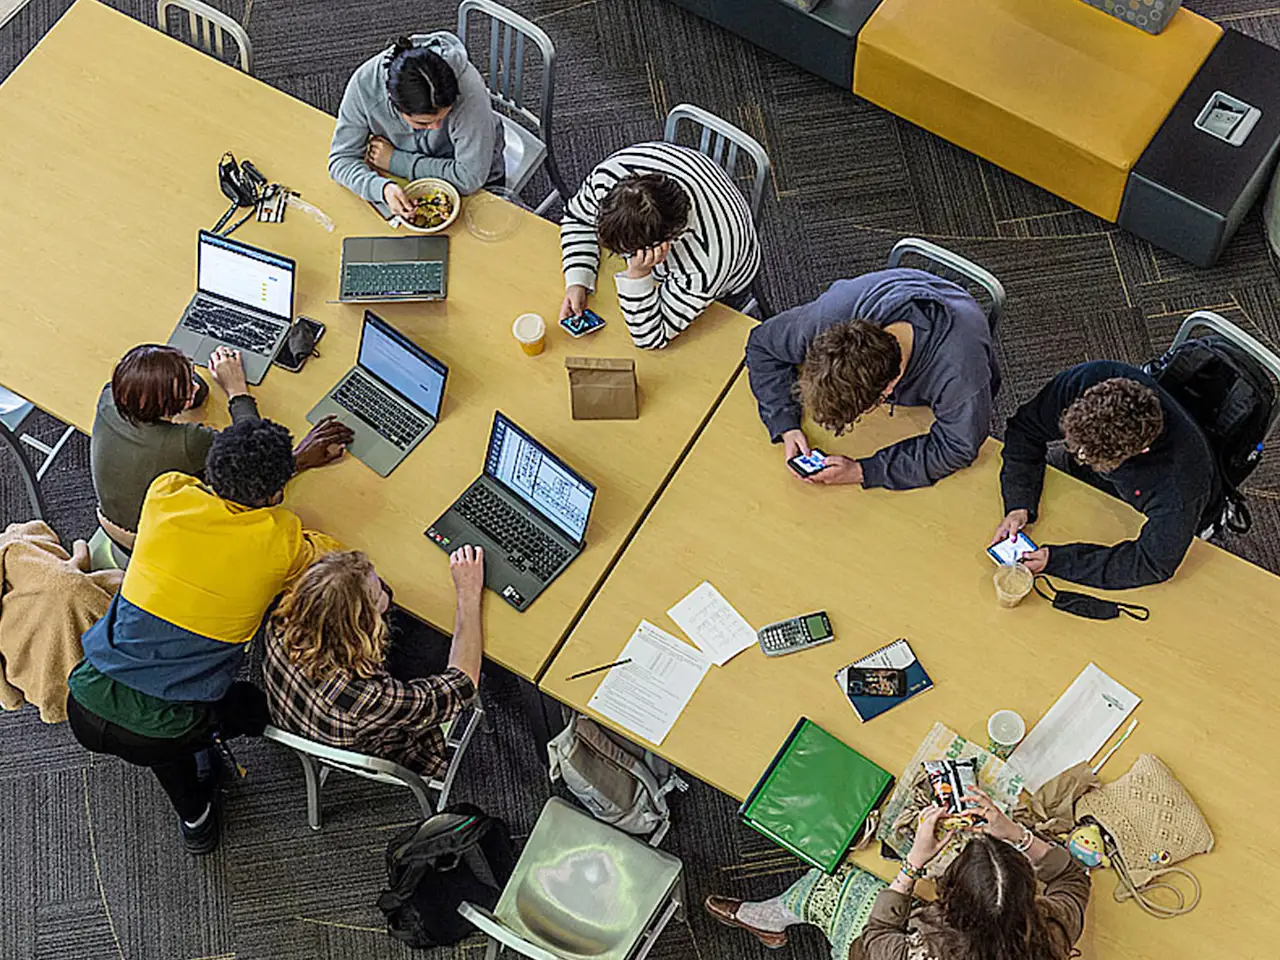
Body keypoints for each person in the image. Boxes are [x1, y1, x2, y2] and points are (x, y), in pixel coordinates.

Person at [66, 414, 353, 855]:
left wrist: (289, 466)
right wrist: (293, 471)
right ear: (276, 494)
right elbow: (334, 560)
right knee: (253, 707)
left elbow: (211, 490)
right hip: (157, 728)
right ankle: (198, 795)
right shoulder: (282, 542)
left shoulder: (166, 493)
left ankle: (196, 821)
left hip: (85, 696)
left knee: (162, 728)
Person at [705, 791, 1090, 960]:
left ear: (952, 903)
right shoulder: (1051, 932)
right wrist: (1017, 835)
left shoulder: (920, 952)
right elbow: (1073, 878)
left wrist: (911, 866)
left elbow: (875, 939)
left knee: (835, 878)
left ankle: (769, 919)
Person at [746, 268, 1000, 490]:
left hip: (960, 342)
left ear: (887, 392)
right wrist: (785, 424)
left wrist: (863, 471)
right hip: (910, 294)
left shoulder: (960, 372)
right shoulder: (829, 317)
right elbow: (762, 346)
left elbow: (958, 447)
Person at [991, 361, 1219, 589]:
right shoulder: (1089, 380)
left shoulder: (1182, 482)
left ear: (1141, 451)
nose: (1079, 456)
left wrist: (1058, 561)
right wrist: (1019, 503)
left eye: (1087, 456)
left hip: (1150, 510)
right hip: (1094, 480)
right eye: (1077, 448)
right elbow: (1025, 429)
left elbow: (1152, 563)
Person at [262, 547, 485, 780]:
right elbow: (462, 684)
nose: (385, 596)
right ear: (361, 626)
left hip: (301, 720)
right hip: (385, 746)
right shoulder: (367, 697)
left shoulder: (282, 620)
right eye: (379, 596)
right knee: (442, 642)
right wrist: (468, 596)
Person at [559, 142, 761, 350]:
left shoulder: (707, 263)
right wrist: (577, 280)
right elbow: (577, 219)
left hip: (729, 279)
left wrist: (638, 273)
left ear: (666, 244)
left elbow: (651, 337)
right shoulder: (609, 177)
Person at [91, 344, 257, 553]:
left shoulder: (110, 397)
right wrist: (237, 389)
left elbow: (199, 389)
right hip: (151, 543)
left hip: (109, 522)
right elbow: (252, 446)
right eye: (187, 393)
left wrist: (178, 386)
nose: (195, 388)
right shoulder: (188, 441)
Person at [329, 34, 504, 219]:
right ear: (394, 103)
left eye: (444, 117)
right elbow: (341, 160)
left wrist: (395, 161)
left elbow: (470, 178)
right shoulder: (364, 86)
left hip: (477, 178)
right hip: (404, 179)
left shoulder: (469, 93)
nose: (437, 127)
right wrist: (383, 189)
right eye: (423, 123)